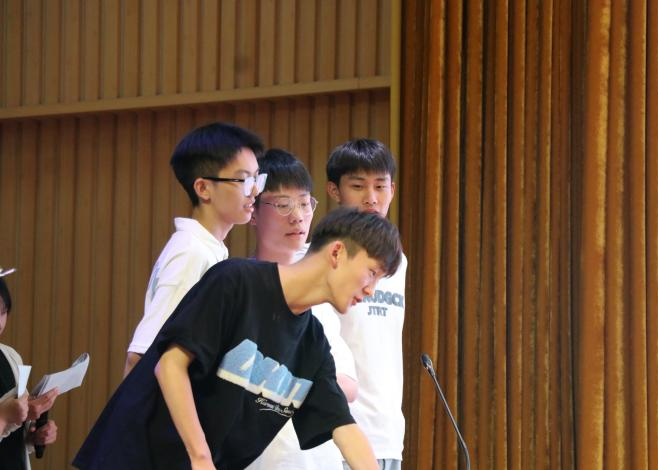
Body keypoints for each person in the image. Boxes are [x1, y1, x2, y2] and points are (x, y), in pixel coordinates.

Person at [72, 208, 401, 470]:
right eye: (371, 272)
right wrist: (200, 458)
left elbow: (343, 426)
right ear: (337, 253)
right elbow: (169, 366)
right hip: (135, 458)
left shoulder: (313, 344)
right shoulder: (236, 282)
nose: (371, 290)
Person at [245, 149, 357, 470]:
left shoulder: (317, 291)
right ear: (252, 212)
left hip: (317, 459)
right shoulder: (236, 286)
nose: (297, 216)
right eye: (283, 204)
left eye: (305, 203)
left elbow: (348, 386)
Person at [124, 122, 266, 376]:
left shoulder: (210, 250)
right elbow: (141, 354)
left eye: (257, 178)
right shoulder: (191, 253)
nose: (254, 190)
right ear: (203, 188)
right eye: (244, 180)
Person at [326, 139, 408, 470]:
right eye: (358, 186)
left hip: (388, 434)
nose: (371, 198)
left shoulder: (399, 262)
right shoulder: (323, 258)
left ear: (392, 190)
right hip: (338, 434)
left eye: (380, 186)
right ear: (334, 191)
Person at [0, 275, 59, 469]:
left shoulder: (10, 356)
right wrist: (5, 416)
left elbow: (16, 435)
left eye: (2, 313)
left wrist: (35, 435)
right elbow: (8, 419)